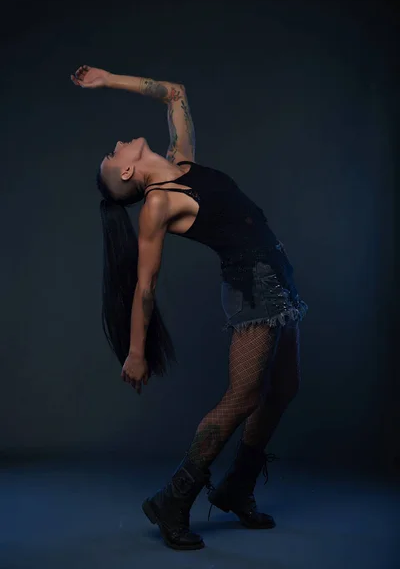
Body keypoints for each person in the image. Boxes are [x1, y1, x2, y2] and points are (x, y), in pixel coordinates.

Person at [71, 65, 308, 551]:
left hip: (278, 279)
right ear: (128, 173)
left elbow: (175, 93)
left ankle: (236, 487)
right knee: (243, 397)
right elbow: (144, 286)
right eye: (112, 156)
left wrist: (106, 79)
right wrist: (136, 352)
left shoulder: (183, 163)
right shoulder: (159, 203)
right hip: (253, 288)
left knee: (283, 389)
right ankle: (173, 501)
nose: (115, 146)